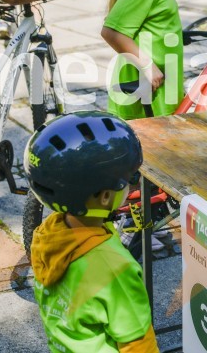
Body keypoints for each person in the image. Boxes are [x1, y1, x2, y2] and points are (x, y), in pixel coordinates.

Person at [25, 111, 159, 353]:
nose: (133, 183)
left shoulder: (48, 236)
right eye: (130, 178)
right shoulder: (115, 268)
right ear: (106, 196)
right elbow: (138, 344)